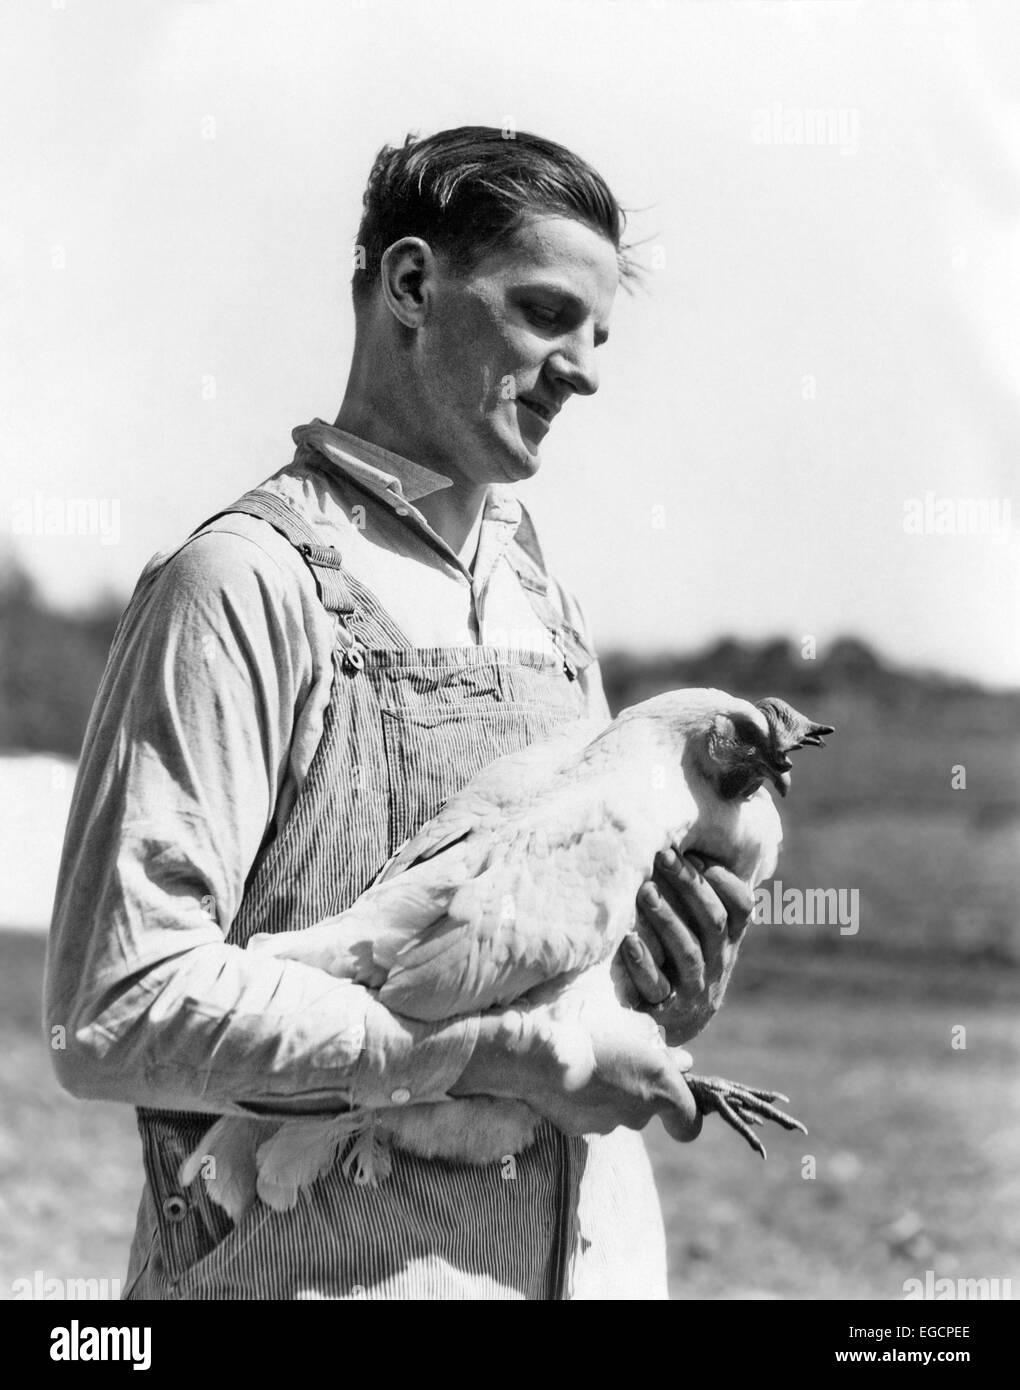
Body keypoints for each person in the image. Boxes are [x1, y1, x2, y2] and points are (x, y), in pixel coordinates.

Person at [45, 126, 754, 1300]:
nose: (582, 368)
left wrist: (664, 984)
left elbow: (556, 987)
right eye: (543, 312)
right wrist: (495, 1056)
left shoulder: (547, 606)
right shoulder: (242, 585)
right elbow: (115, 1010)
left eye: (598, 333)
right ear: (413, 285)